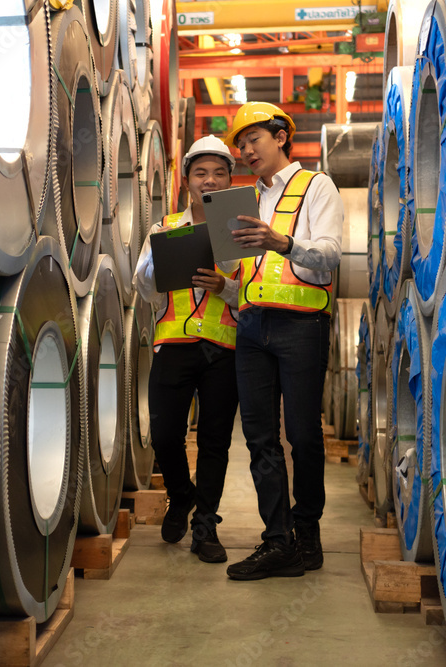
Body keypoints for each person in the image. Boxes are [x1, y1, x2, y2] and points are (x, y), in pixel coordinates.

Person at [219, 102, 343, 580]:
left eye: (254, 140)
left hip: (300, 327)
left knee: (305, 435)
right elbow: (247, 276)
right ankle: (278, 540)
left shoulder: (317, 187)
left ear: (280, 137)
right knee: (259, 438)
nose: (247, 150)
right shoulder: (242, 202)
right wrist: (224, 286)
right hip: (251, 327)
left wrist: (284, 242)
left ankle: (307, 533)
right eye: (241, 145)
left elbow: (329, 256)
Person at [133, 135, 240, 563]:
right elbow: (143, 287)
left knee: (215, 441)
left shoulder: (241, 227)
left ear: (230, 179)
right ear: (187, 181)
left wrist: (225, 286)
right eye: (201, 173)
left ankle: (205, 524)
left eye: (218, 173)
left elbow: (251, 292)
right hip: (173, 344)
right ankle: (181, 496)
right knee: (164, 434)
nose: (209, 181)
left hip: (223, 348)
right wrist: (163, 263)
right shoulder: (165, 228)